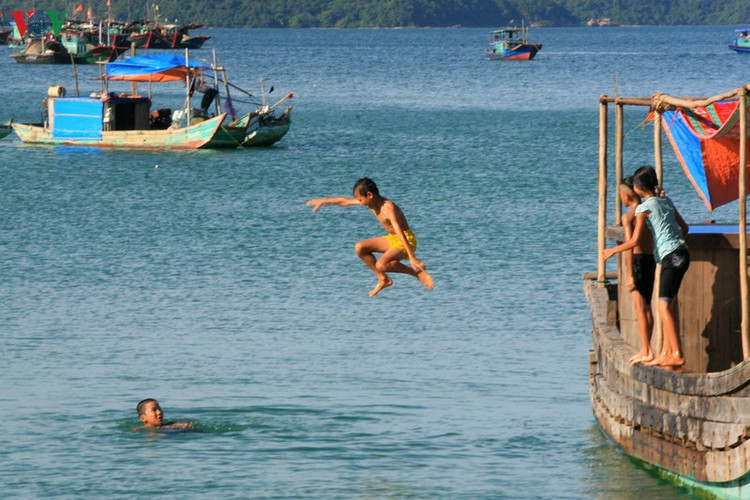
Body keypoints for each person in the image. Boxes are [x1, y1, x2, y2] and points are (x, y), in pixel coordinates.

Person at [602, 166, 690, 368]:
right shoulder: (665, 200)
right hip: (682, 253)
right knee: (666, 303)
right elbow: (685, 228)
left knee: (663, 305)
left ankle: (676, 354)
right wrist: (675, 244)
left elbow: (633, 241)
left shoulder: (644, 208)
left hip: (672, 257)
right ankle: (668, 352)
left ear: (638, 188)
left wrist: (612, 251)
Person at [307, 178, 434, 297]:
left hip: (406, 239)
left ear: (369, 195)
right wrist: (324, 200)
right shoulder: (372, 203)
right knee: (360, 247)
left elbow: (399, 231)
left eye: (361, 200)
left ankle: (417, 273)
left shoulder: (388, 208)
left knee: (382, 264)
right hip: (393, 238)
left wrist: (412, 257)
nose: (360, 203)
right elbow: (345, 201)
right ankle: (383, 279)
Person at [619, 176, 656, 365]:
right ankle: (648, 347)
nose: (620, 199)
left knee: (640, 309)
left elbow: (629, 246)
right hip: (651, 259)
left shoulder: (629, 217)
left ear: (627, 196)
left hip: (638, 260)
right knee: (647, 308)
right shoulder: (649, 208)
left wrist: (630, 275)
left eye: (620, 195)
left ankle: (645, 349)